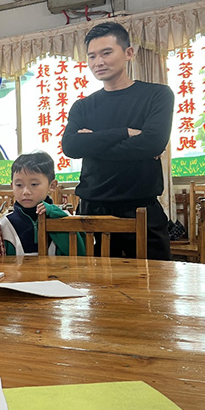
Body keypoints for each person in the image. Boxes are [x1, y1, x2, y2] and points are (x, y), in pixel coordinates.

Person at [62, 22, 174, 260]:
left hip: (141, 208)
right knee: (94, 282)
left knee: (156, 279)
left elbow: (152, 143)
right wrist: (125, 133)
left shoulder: (157, 95)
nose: (98, 62)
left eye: (106, 53)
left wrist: (92, 144)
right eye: (92, 56)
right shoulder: (83, 106)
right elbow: (71, 147)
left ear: (128, 53)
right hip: (92, 208)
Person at [0, 151, 85, 256]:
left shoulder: (65, 218)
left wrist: (56, 215)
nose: (26, 192)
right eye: (19, 185)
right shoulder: (5, 225)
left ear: (52, 185)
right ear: (12, 186)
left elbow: (80, 255)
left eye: (34, 184)